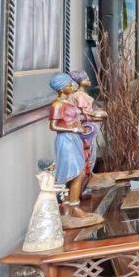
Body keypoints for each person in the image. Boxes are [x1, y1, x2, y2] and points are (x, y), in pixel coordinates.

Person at [48, 74, 88, 206]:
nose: (72, 86)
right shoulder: (57, 105)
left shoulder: (68, 102)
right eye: (69, 84)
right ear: (60, 89)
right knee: (75, 173)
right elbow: (53, 126)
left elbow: (73, 119)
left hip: (75, 139)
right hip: (65, 140)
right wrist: (75, 130)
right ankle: (73, 207)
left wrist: (79, 127)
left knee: (79, 172)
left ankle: (71, 205)